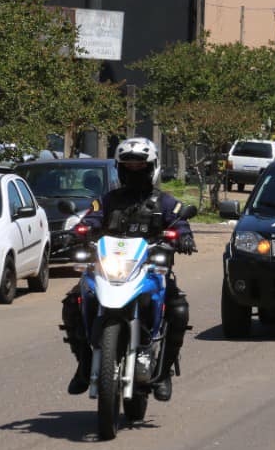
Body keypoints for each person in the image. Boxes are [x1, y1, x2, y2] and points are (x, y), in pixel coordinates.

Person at [60, 137, 196, 401]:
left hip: (149, 271)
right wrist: (76, 233)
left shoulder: (165, 202)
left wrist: (184, 236)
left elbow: (179, 222)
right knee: (73, 303)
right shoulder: (108, 200)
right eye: (128, 166)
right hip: (110, 270)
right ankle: (84, 365)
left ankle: (163, 371)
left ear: (152, 167)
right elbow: (91, 218)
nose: (134, 171)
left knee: (178, 309)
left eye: (140, 166)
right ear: (120, 168)